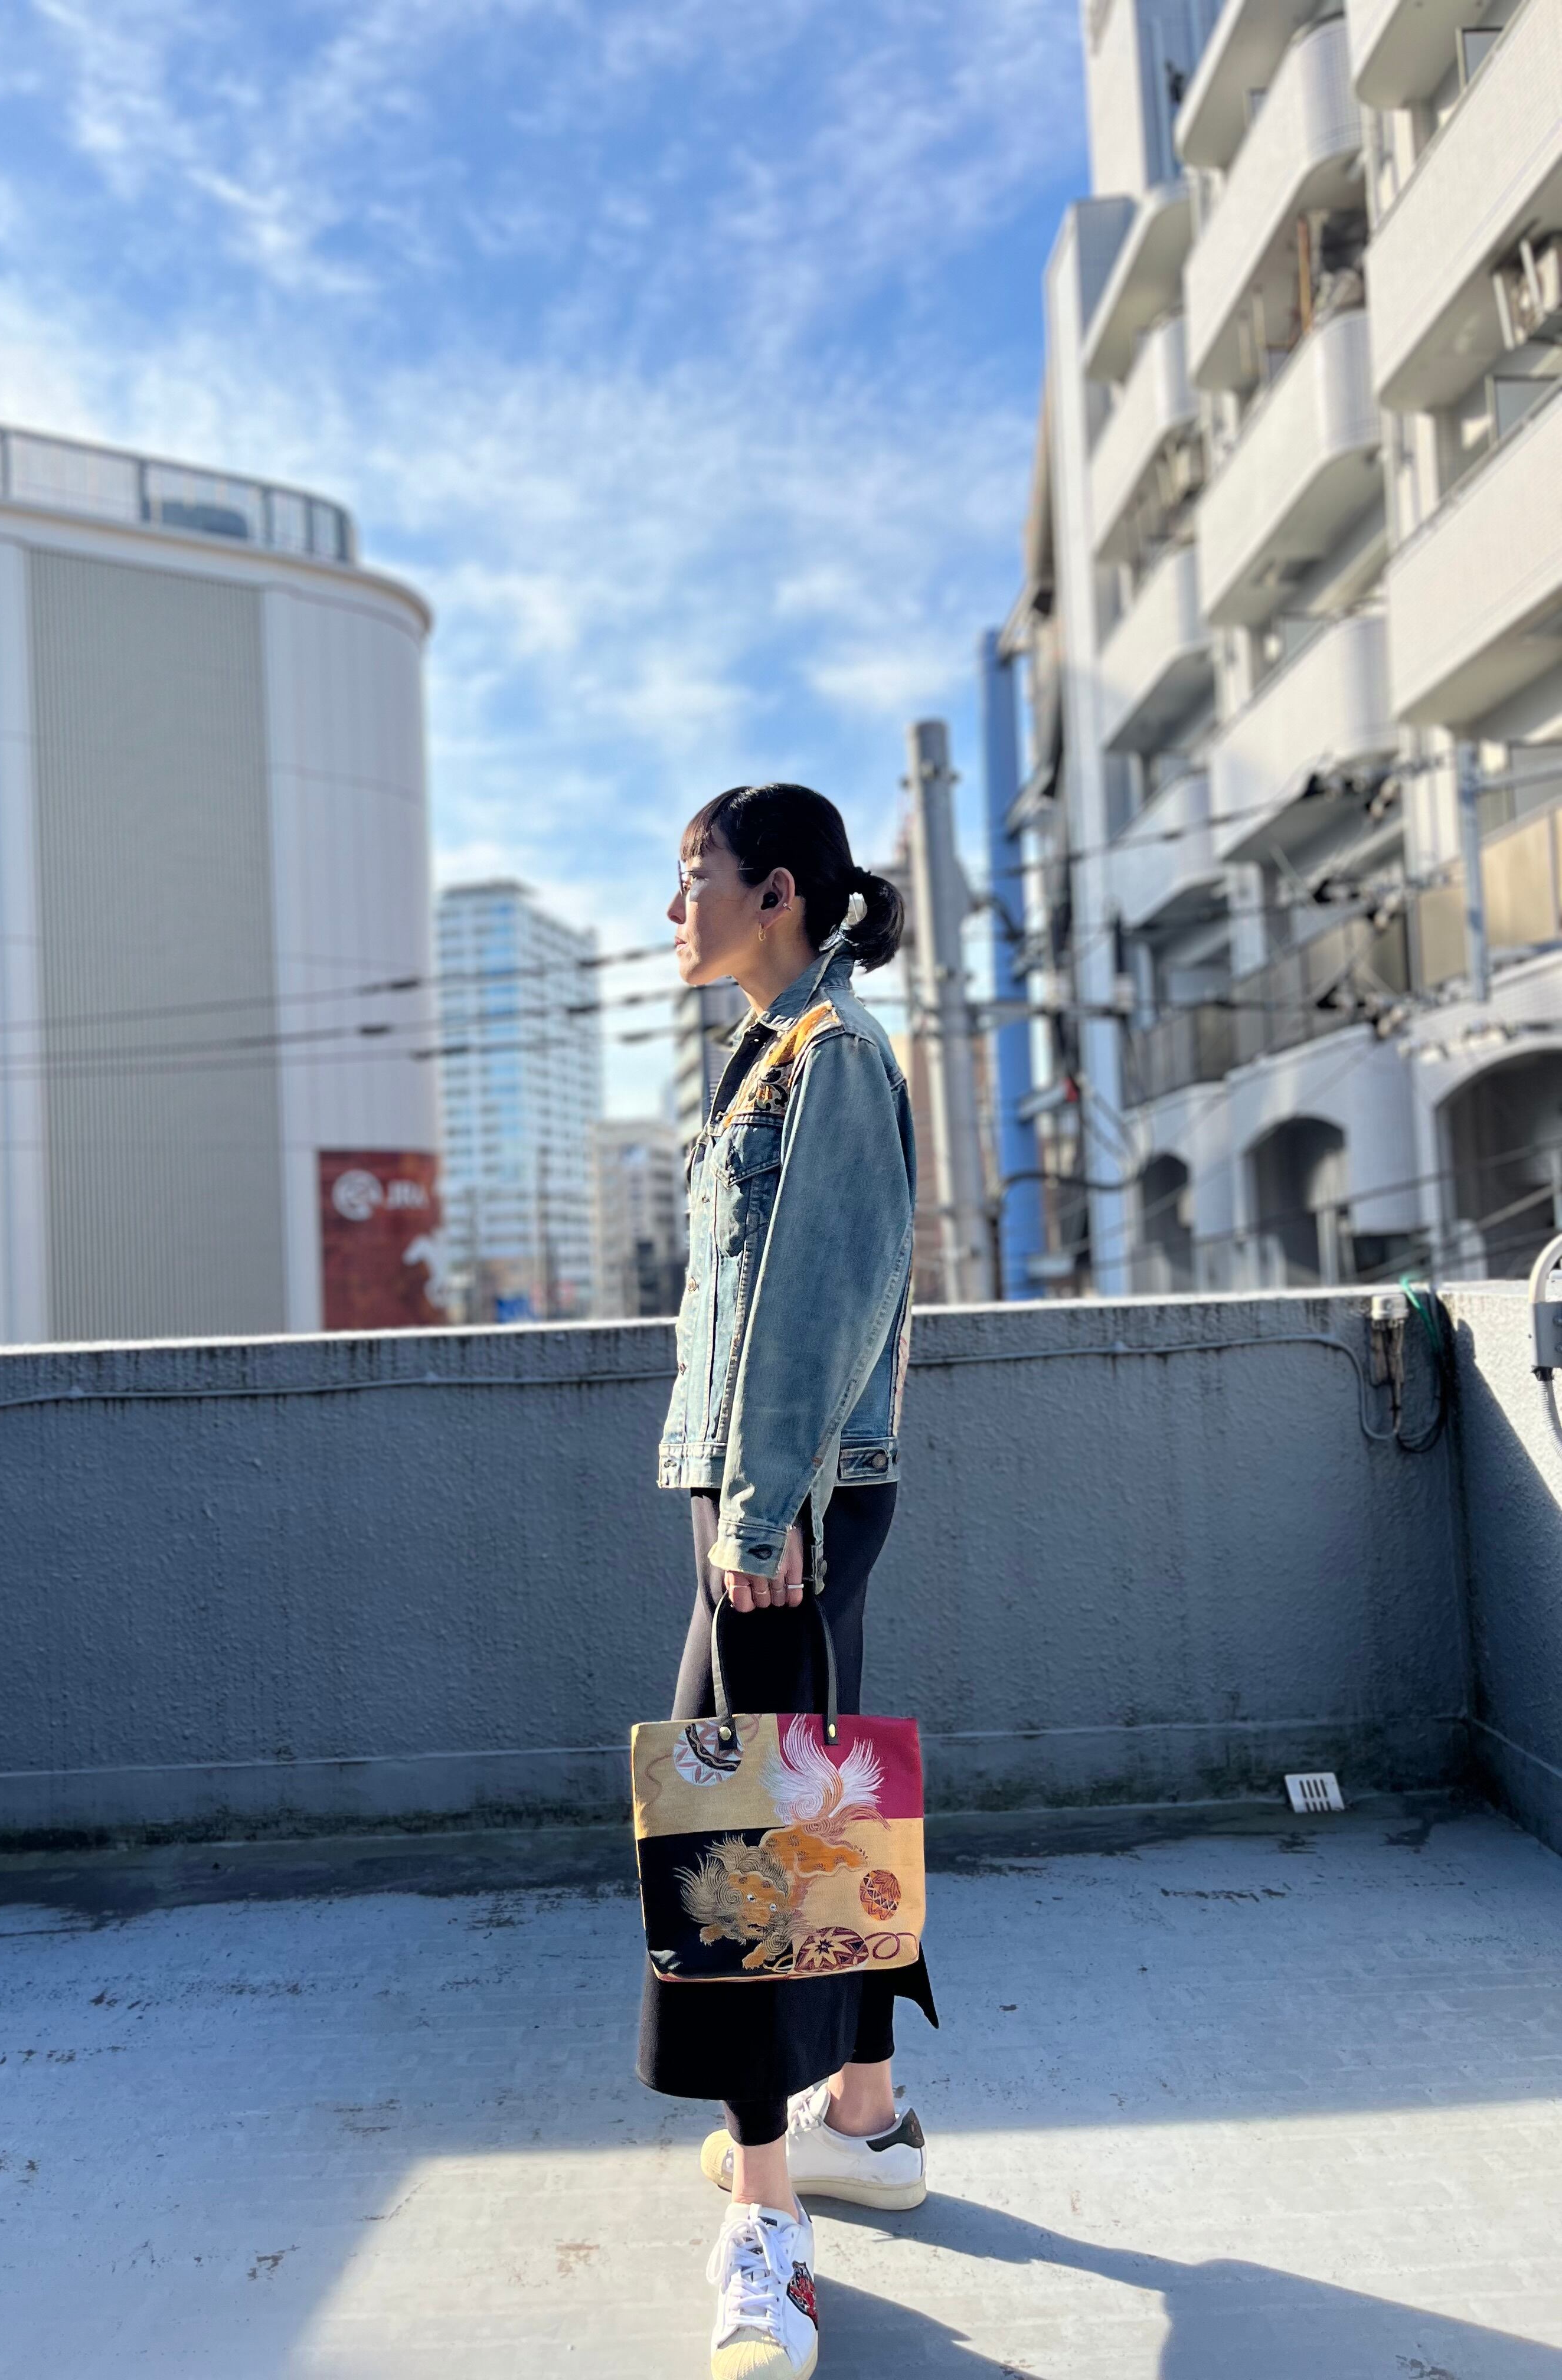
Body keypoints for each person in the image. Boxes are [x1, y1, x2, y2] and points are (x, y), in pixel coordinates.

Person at [641, 782, 938, 2380]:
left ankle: (770, 2228)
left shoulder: (828, 1056)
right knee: (823, 1803)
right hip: (791, 1491)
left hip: (785, 1501)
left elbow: (821, 1302)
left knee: (735, 1844)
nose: (671, 907)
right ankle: (864, 2120)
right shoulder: (773, 1051)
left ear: (775, 894)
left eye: (692, 877)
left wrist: (758, 1523)